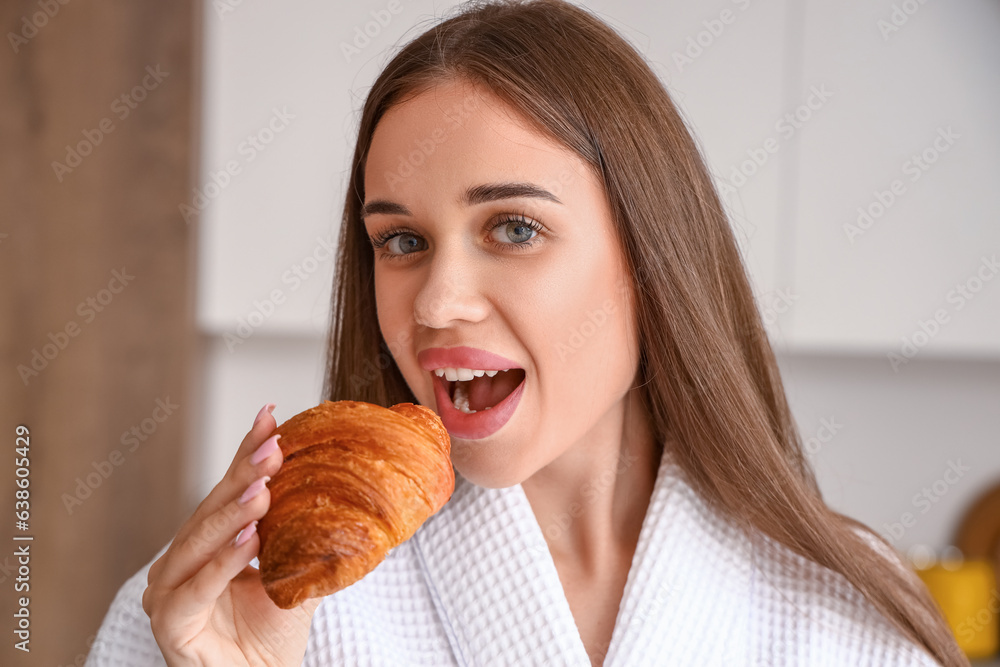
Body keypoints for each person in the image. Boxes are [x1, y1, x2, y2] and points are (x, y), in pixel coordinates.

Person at [86, 0, 968, 665]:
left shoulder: (842, 611)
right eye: (401, 241)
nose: (436, 303)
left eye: (513, 227)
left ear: (651, 255)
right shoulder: (222, 606)